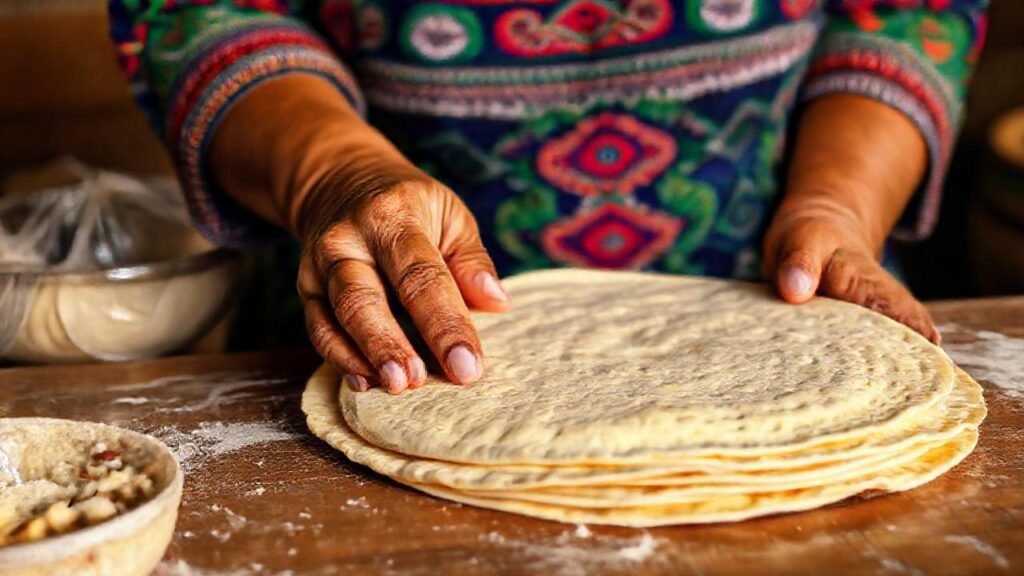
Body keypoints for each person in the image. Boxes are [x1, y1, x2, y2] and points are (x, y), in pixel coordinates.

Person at [108, 0, 987, 394]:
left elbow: (911, 8)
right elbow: (196, 7)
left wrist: (837, 208)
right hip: (398, 315)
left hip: (786, 295)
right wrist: (336, 174)